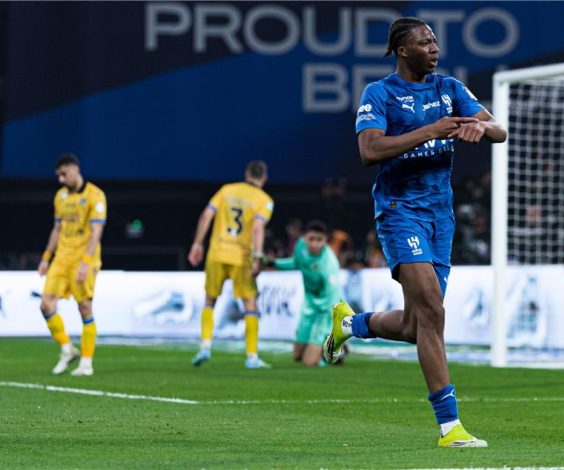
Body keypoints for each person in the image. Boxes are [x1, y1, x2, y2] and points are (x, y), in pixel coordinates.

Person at [321, 17, 506, 448]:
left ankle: (350, 323)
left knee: (413, 325)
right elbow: (369, 150)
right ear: (403, 51)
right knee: (433, 314)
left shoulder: (449, 89)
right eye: (425, 42)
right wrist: (430, 131)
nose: (434, 48)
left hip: (440, 217)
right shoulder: (380, 94)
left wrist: (481, 126)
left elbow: (499, 128)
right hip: (400, 210)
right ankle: (450, 427)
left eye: (436, 41)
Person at [188, 160, 274, 369]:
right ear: (264, 178)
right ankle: (252, 356)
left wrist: (197, 244)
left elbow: (207, 214)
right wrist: (257, 257)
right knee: (250, 304)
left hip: (217, 251)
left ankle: (205, 347)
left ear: (246, 174)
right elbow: (257, 228)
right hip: (242, 256)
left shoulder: (226, 190)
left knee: (210, 300)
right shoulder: (265, 200)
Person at [37, 153, 107, 376]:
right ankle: (67, 349)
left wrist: (86, 261)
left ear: (75, 170)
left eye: (63, 174)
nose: (60, 179)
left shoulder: (95, 195)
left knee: (84, 306)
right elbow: (57, 229)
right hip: (62, 257)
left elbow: (97, 231)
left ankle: (86, 363)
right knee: (46, 305)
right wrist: (46, 257)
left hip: (84, 258)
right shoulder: (61, 197)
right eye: (58, 175)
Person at [269, 220, 342, 367]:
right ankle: (333, 347)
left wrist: (329, 323)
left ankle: (335, 346)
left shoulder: (329, 264)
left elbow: (332, 298)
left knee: (309, 362)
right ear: (304, 238)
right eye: (311, 239)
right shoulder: (300, 246)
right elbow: (296, 263)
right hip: (308, 305)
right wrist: (273, 263)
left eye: (319, 240)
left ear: (325, 240)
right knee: (297, 356)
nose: (314, 244)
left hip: (325, 310)